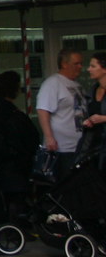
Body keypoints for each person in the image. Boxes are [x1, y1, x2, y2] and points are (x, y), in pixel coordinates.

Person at [0, 71, 40, 224]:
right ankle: (17, 227)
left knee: (15, 197)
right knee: (16, 198)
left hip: (11, 162)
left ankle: (17, 227)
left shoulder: (2, 108)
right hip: (14, 162)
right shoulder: (8, 111)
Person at [36, 48, 86, 180]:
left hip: (78, 147)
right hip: (62, 148)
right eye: (76, 63)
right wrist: (49, 137)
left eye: (81, 63)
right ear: (64, 64)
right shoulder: (53, 83)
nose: (80, 67)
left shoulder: (76, 84)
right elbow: (43, 109)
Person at [80, 51, 106, 172]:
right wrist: (88, 120)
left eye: (93, 66)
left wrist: (103, 119)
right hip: (94, 145)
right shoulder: (92, 90)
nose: (89, 69)